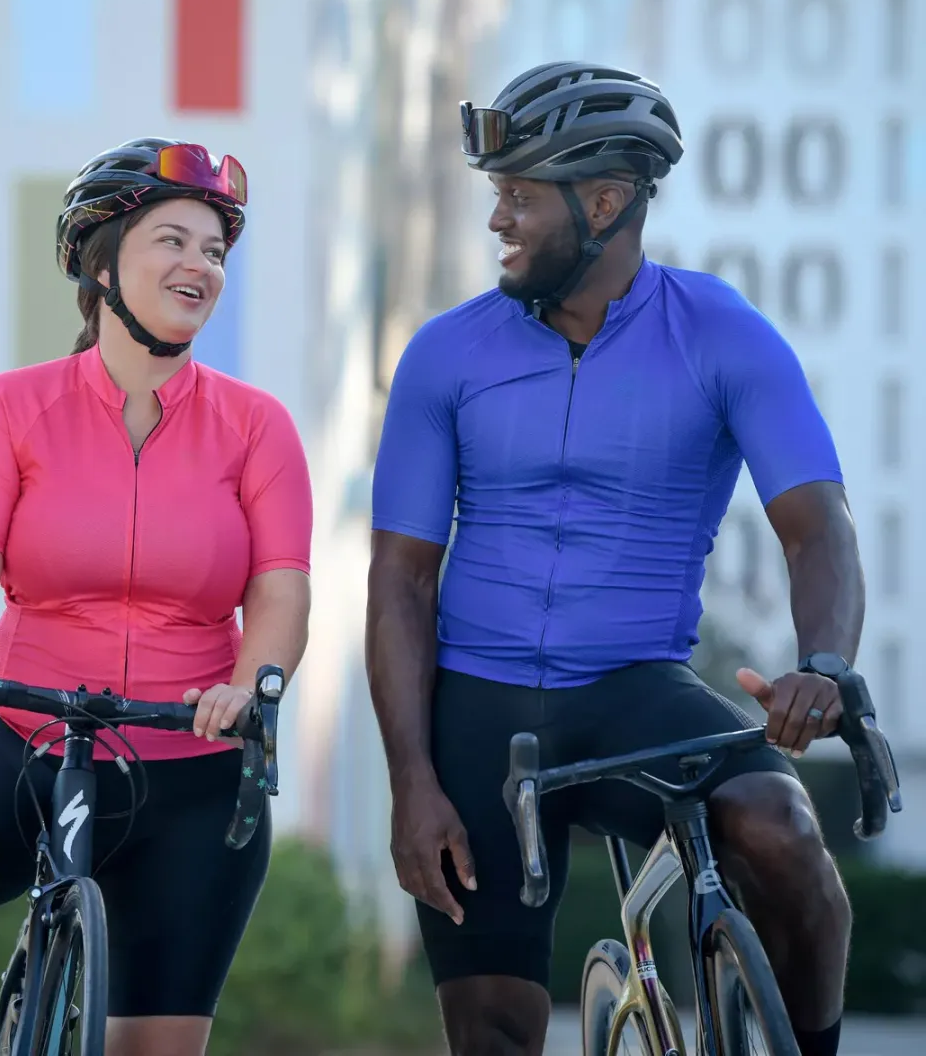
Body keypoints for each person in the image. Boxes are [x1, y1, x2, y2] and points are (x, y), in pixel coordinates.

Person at [366, 62, 862, 1056]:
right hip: (479, 712)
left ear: (604, 202)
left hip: (635, 691)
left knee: (782, 829)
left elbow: (818, 528)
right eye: (494, 196)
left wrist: (825, 664)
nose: (496, 220)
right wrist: (411, 781)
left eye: (518, 197)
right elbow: (401, 583)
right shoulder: (445, 353)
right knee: (495, 1033)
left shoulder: (721, 334)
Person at [0, 138, 314, 1056]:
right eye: (173, 241)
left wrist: (252, 682)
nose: (200, 266)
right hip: (26, 730)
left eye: (215, 251)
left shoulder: (258, 427)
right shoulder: (13, 407)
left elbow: (281, 592)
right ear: (102, 264)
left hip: (193, 756)